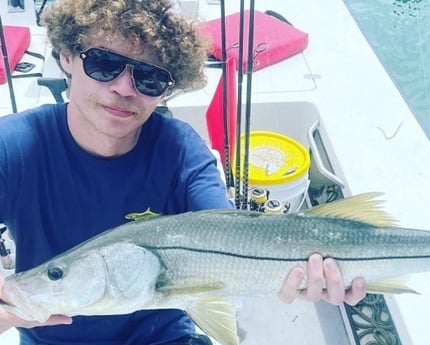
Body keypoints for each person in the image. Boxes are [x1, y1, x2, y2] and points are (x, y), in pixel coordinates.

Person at [0, 0, 366, 344]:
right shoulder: (12, 146)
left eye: (149, 78)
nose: (124, 88)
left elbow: (230, 235)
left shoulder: (179, 150)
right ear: (66, 56)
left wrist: (319, 269)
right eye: (103, 64)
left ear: (166, 91)